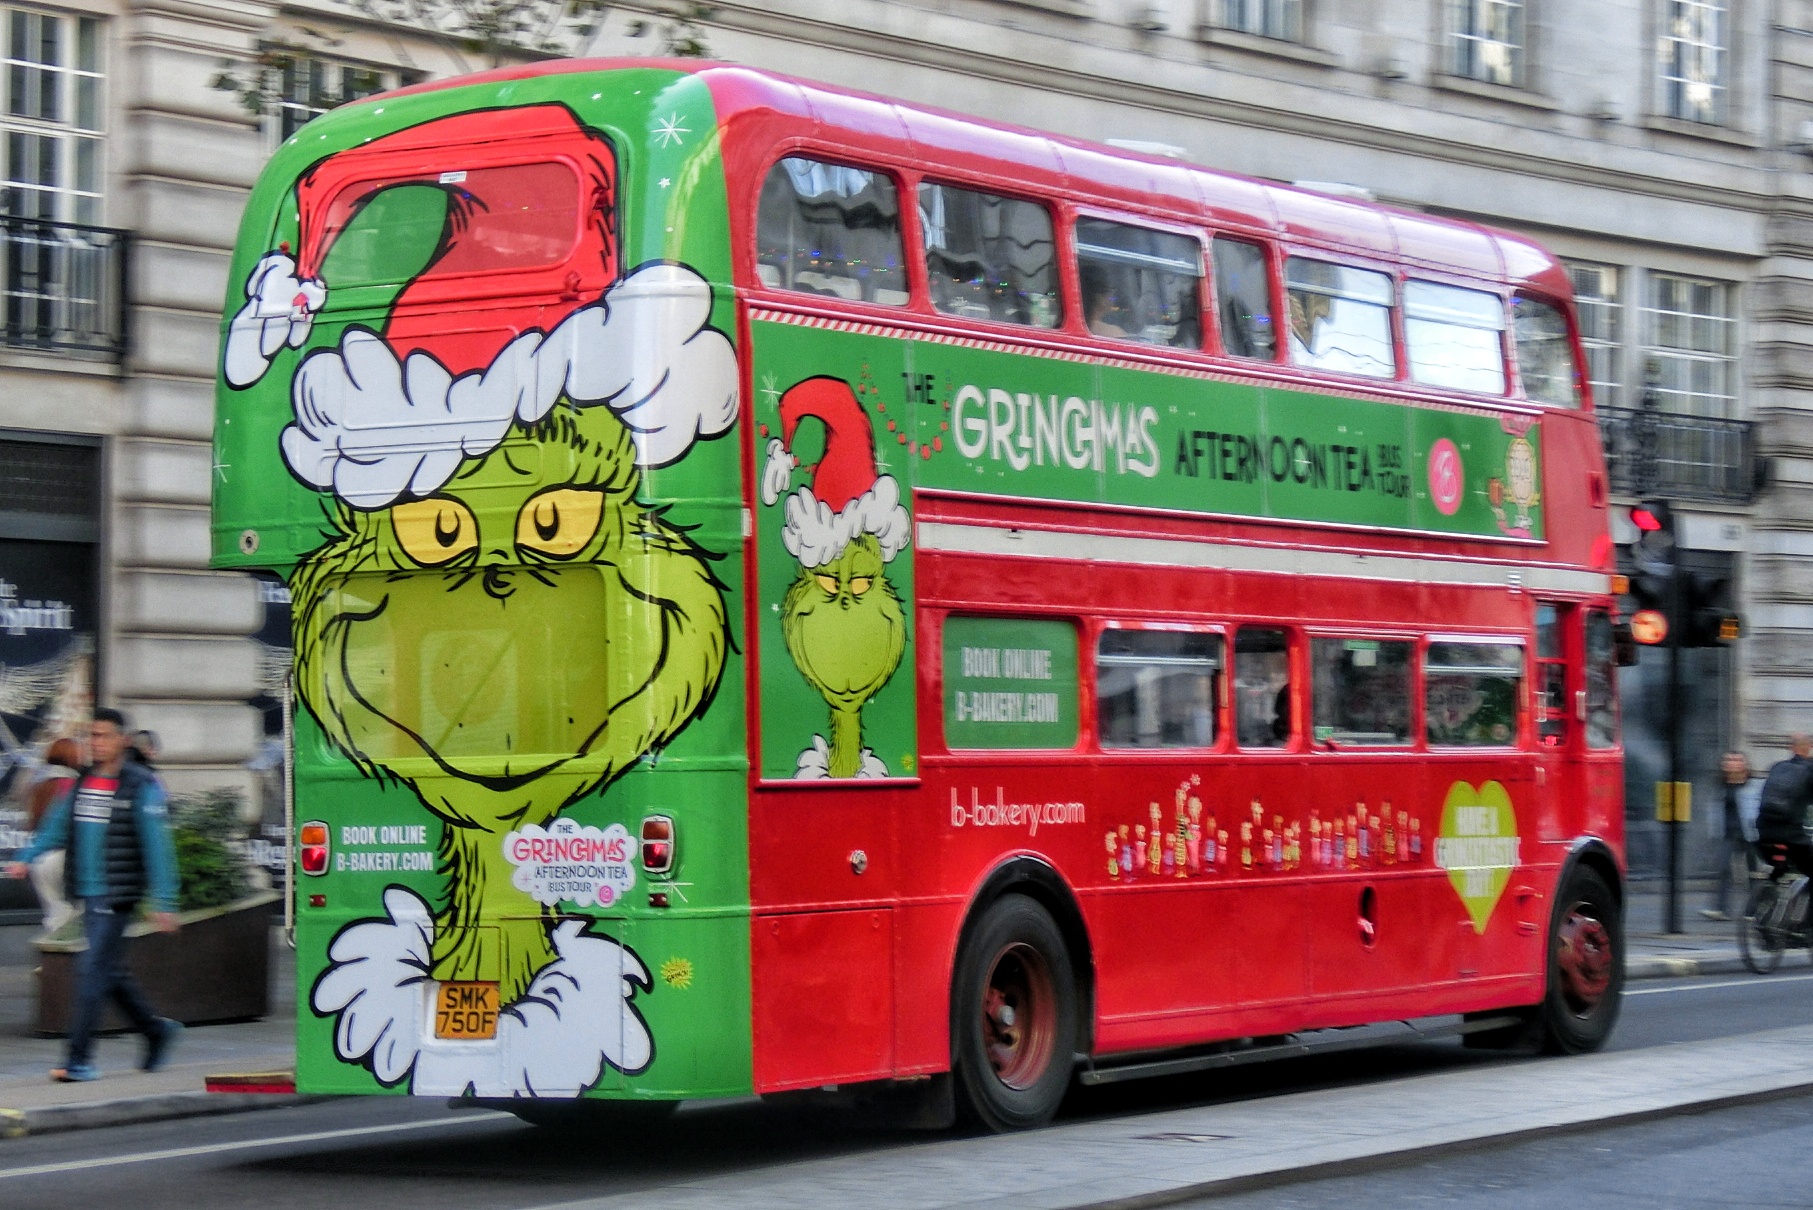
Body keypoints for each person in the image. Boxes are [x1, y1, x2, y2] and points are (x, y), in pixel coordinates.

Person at [5, 708, 182, 1083]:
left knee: (89, 972)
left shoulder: (140, 785)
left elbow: (158, 846)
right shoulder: (84, 782)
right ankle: (155, 1030)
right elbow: (56, 827)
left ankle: (78, 1059)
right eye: (92, 736)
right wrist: (26, 857)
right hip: (87, 892)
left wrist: (165, 901)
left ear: (123, 740)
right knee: (109, 972)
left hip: (116, 892)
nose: (96, 743)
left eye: (103, 735)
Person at [24, 736, 82, 934]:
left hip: (40, 856)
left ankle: (52, 950)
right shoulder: (72, 785)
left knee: (54, 910)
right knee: (75, 911)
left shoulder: (38, 783)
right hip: (66, 855)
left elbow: (32, 821)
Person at [1753, 734, 1813, 882]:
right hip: (1792, 836)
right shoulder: (1810, 770)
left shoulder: (1777, 767)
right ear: (1809, 748)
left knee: (1781, 867)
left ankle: (1768, 892)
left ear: (1791, 748)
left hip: (1763, 835)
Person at [1702, 750, 1753, 921]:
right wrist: (1713, 831)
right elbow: (1713, 811)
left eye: (1737, 760)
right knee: (1723, 869)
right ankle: (1721, 909)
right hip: (1728, 834)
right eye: (1729, 760)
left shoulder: (1752, 785)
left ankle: (1755, 910)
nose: (1732, 763)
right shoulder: (1721, 786)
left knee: (1753, 873)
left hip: (1750, 833)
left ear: (1744, 764)